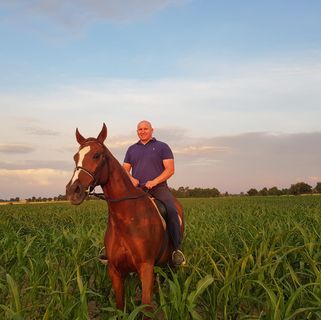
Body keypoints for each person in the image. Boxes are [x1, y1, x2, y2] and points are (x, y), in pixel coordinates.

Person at [123, 120, 186, 266]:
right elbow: (124, 169)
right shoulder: (131, 149)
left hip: (159, 188)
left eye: (145, 129)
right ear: (137, 131)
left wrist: (155, 181)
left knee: (171, 210)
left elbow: (170, 169)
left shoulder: (162, 147)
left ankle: (176, 250)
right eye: (140, 129)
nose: (142, 131)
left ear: (152, 130)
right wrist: (131, 179)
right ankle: (112, 248)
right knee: (119, 211)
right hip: (138, 190)